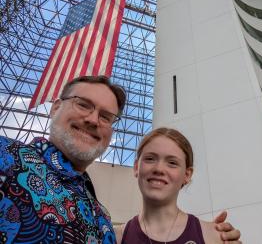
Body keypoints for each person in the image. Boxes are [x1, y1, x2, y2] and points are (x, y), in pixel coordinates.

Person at [0, 75, 241, 243]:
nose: (93, 120)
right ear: (55, 108)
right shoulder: (6, 156)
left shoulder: (102, 221)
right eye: (83, 105)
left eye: (106, 116)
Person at [116, 127, 242, 244]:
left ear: (187, 175)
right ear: (136, 167)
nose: (159, 169)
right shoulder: (115, 237)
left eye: (172, 163)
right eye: (150, 159)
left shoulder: (213, 236)